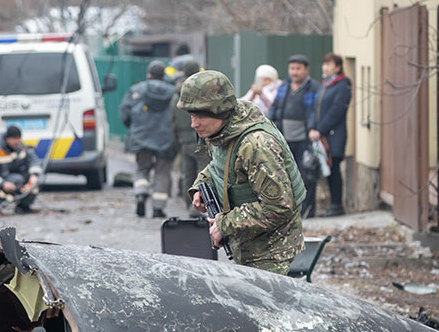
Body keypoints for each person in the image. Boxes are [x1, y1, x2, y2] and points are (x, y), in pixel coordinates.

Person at [181, 70, 305, 274]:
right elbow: (221, 166)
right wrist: (201, 186)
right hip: (248, 245)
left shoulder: (256, 145)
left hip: (271, 252)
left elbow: (278, 207)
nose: (194, 124)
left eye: (200, 115)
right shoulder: (224, 131)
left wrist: (224, 225)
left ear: (219, 110)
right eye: (192, 115)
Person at [120, 60, 176, 218]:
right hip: (166, 138)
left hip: (142, 136)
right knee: (162, 172)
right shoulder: (173, 93)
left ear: (149, 74)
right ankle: (158, 208)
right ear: (163, 75)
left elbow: (125, 113)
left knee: (142, 168)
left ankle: (141, 193)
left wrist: (133, 128)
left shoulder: (136, 90)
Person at [268, 54, 321, 218]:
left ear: (306, 69)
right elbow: (275, 107)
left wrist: (313, 128)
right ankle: (290, 210)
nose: (294, 72)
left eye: (298, 68)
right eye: (292, 68)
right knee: (285, 174)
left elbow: (316, 112)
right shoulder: (284, 86)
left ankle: (308, 210)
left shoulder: (314, 88)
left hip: (304, 139)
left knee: (306, 175)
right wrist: (270, 124)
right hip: (285, 138)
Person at [313, 53, 352, 217]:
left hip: (334, 135)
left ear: (338, 67)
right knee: (327, 169)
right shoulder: (326, 84)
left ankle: (337, 205)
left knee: (334, 168)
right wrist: (314, 128)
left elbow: (337, 110)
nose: (325, 67)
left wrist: (320, 129)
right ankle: (332, 204)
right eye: (324, 64)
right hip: (322, 135)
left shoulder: (343, 85)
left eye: (329, 64)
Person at [169, 58, 209, 212]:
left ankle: (189, 206)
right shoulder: (203, 92)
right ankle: (199, 208)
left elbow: (173, 120)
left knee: (187, 174)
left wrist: (178, 138)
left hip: (184, 140)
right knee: (204, 174)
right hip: (202, 140)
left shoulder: (177, 94)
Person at [0, 126, 42, 213]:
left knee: (33, 183)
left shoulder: (19, 146)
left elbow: (33, 159)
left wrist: (34, 175)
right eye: (14, 139)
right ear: (7, 139)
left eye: (19, 138)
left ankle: (23, 207)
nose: (17, 142)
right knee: (17, 181)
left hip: (14, 177)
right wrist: (2, 184)